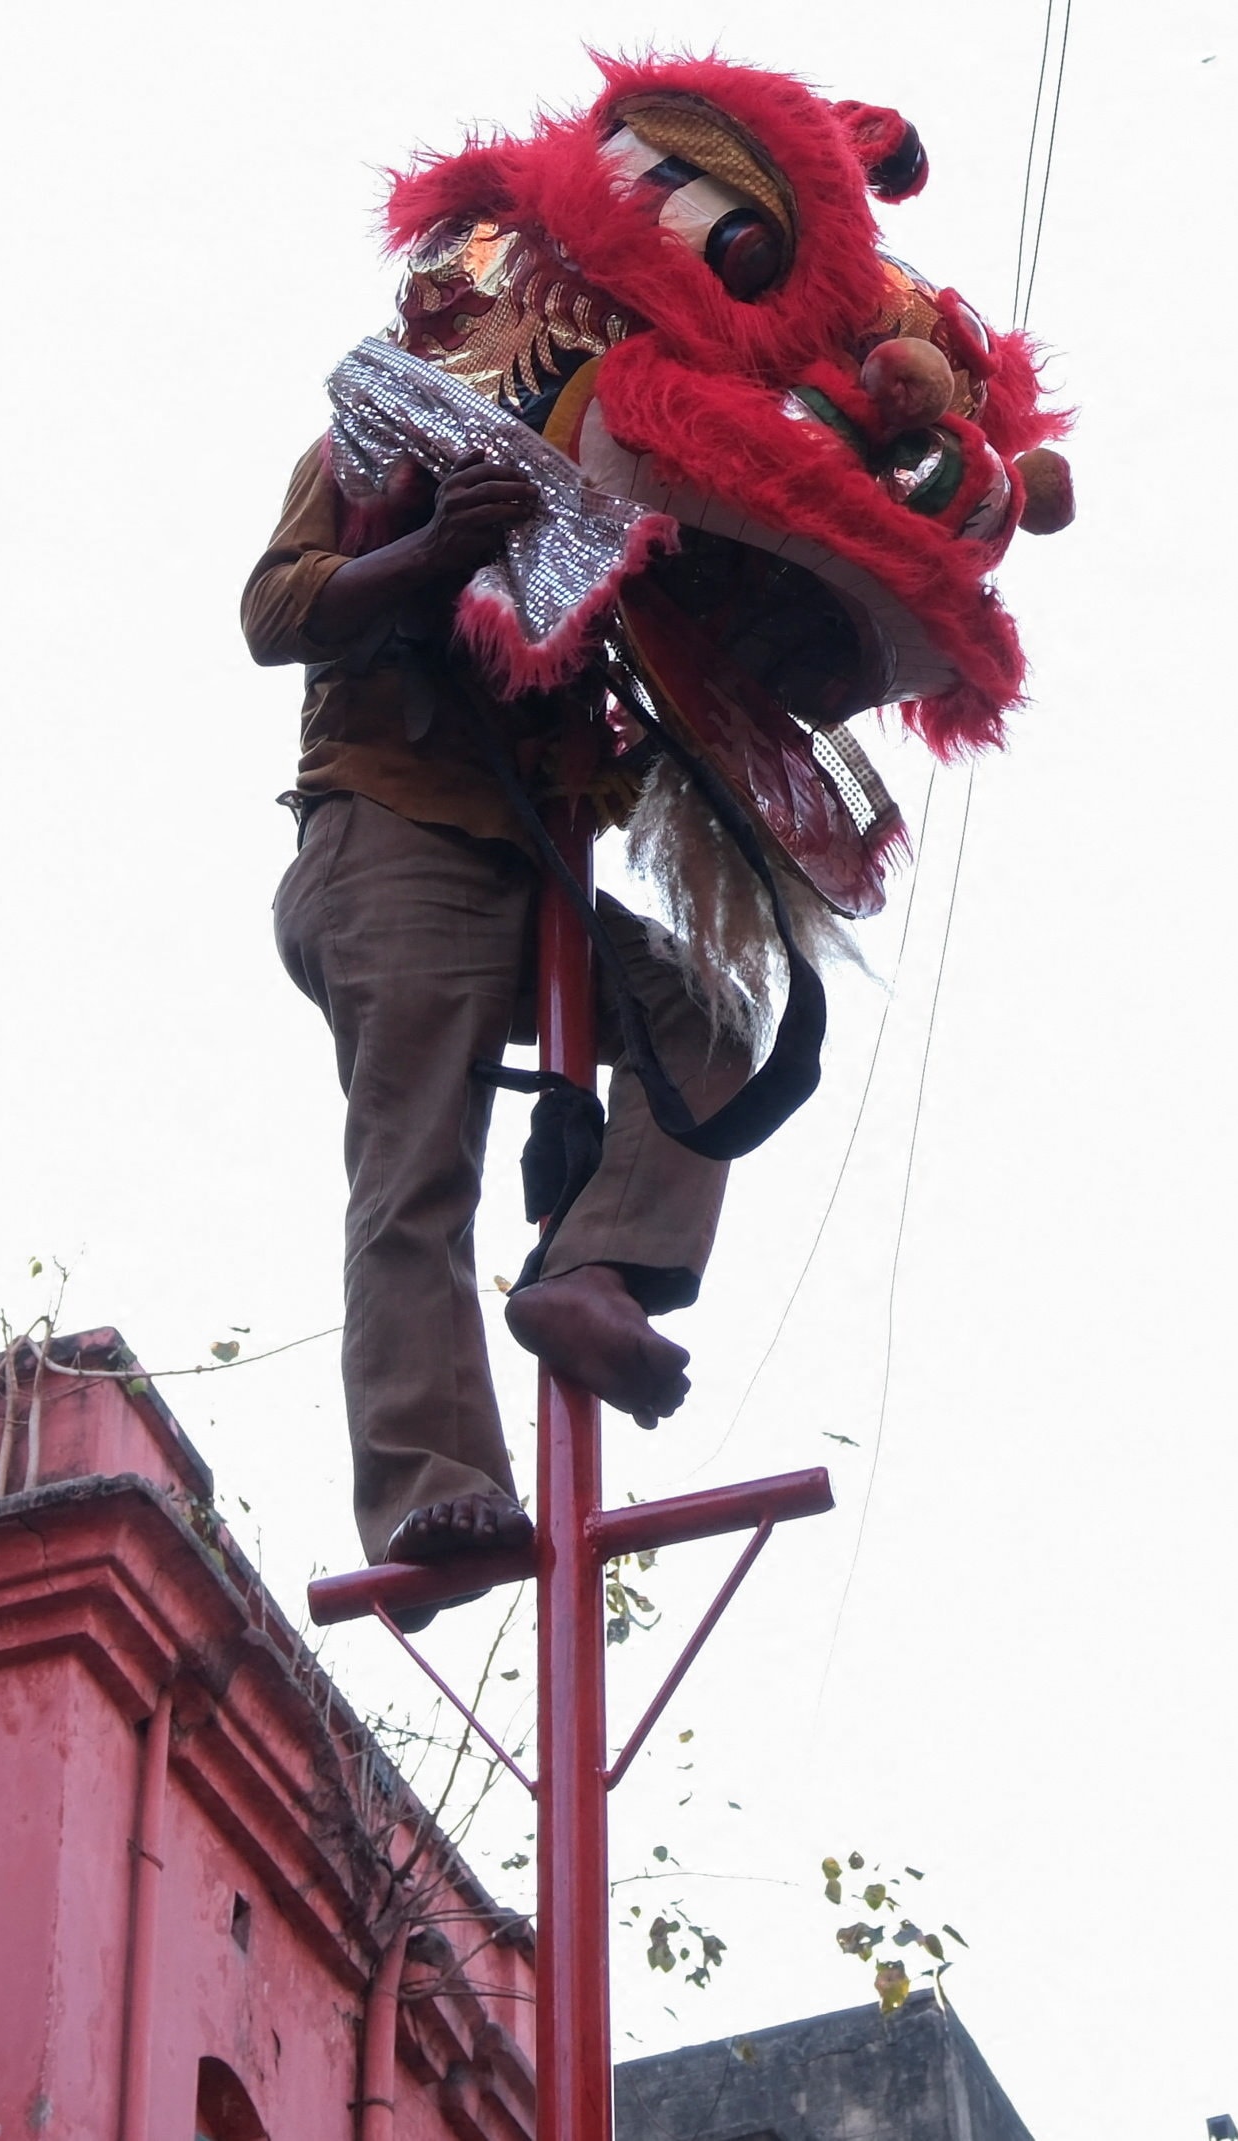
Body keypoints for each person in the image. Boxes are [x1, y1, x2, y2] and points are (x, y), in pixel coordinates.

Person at [242, 436, 758, 1605]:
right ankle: (428, 1484)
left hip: (528, 868)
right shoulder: (376, 444)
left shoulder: (617, 468)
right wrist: (438, 545)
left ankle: (592, 1275)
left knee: (707, 1019)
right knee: (418, 1168)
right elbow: (275, 613)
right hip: (392, 835)